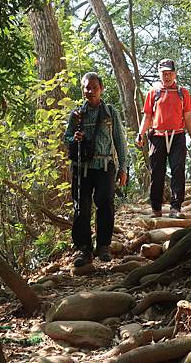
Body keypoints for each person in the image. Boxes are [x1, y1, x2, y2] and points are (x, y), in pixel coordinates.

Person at [64, 72, 127, 267]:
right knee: (81, 208)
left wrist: (123, 167)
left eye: (94, 88)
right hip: (81, 167)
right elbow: (66, 138)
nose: (90, 91)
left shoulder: (110, 112)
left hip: (105, 165)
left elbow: (120, 141)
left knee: (105, 203)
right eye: (86, 88)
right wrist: (74, 138)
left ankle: (104, 246)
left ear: (101, 89)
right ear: (82, 89)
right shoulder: (76, 115)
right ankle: (84, 249)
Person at [135, 59, 191, 219]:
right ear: (159, 74)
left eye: (170, 73)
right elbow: (147, 116)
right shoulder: (153, 93)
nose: (167, 76)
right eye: (164, 73)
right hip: (157, 136)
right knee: (157, 172)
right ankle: (156, 208)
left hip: (177, 136)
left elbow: (188, 118)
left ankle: (176, 208)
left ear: (175, 74)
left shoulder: (183, 93)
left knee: (178, 171)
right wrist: (140, 133)